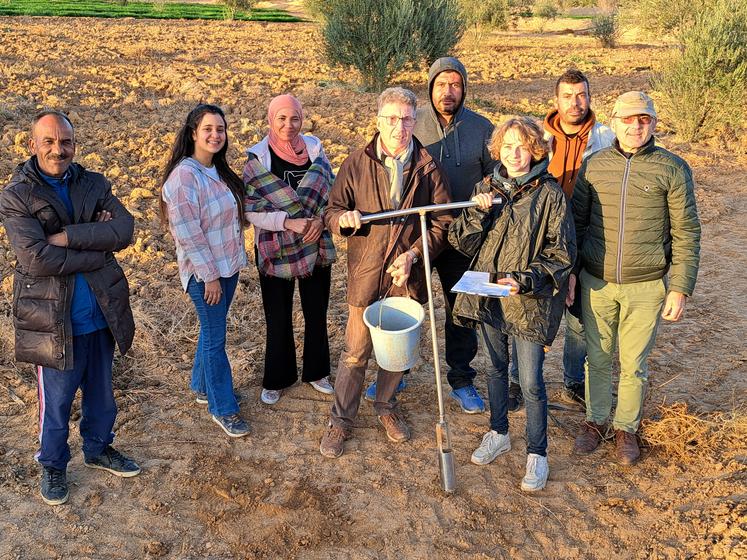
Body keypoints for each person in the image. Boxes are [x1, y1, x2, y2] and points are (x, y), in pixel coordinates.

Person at [0, 111, 139, 506]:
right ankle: (53, 464)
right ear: (32, 145)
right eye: (49, 141)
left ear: (75, 145)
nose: (58, 150)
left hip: (100, 310)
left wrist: (66, 237)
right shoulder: (16, 195)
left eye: (65, 142)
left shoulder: (93, 183)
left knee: (102, 395)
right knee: (56, 402)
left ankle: (98, 448)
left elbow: (124, 230)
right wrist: (96, 248)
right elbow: (35, 259)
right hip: (52, 320)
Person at [319, 87, 452, 458]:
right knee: (356, 351)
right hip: (366, 270)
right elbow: (331, 211)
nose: (400, 127)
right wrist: (341, 220)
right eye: (391, 119)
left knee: (396, 351)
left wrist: (412, 255)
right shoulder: (357, 163)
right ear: (378, 121)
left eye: (407, 119)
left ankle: (386, 407)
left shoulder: (427, 166)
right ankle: (341, 421)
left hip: (404, 276)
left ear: (414, 120)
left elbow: (442, 223)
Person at [572, 91, 701, 465]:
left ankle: (626, 428)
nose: (635, 126)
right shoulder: (594, 165)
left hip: (646, 285)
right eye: (627, 119)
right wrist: (572, 275)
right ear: (613, 123)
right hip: (596, 280)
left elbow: (686, 232)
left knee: (633, 363)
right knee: (596, 356)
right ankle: (595, 421)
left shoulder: (672, 168)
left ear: (654, 123)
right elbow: (578, 225)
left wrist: (679, 287)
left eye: (643, 119)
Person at [449, 116, 575, 491]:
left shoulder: (550, 195)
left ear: (535, 149)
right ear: (497, 151)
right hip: (490, 295)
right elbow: (462, 242)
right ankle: (498, 431)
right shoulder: (487, 188)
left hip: (529, 300)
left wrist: (526, 279)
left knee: (533, 381)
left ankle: (538, 454)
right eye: (507, 146)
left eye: (522, 146)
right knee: (495, 370)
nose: (515, 154)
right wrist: (476, 211)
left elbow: (561, 252)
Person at [368, 55, 494, 415]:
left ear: (464, 88)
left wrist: (485, 196)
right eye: (441, 84)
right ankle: (397, 372)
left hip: (464, 237)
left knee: (462, 310)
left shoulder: (481, 128)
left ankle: (461, 380)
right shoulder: (412, 122)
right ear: (430, 88)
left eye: (455, 84)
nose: (448, 91)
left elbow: (495, 175)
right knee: (406, 303)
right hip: (419, 234)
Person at [508, 69, 614, 412]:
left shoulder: (606, 138)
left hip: (586, 237)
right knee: (528, 311)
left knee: (579, 317)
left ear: (589, 96)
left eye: (581, 95)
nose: (575, 102)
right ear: (556, 99)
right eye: (567, 96)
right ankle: (517, 379)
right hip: (539, 240)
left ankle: (572, 381)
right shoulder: (536, 137)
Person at [161, 104, 250, 438]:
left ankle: (201, 386)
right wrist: (209, 276)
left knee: (211, 331)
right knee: (216, 339)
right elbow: (187, 231)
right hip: (206, 275)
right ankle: (222, 407)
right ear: (193, 132)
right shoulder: (184, 176)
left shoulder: (217, 171)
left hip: (228, 267)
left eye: (221, 129)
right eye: (209, 129)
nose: (216, 135)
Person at [243, 94, 336, 405]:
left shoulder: (316, 151)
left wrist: (320, 222)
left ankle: (317, 372)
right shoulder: (257, 159)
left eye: (294, 118)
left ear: (302, 119)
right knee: (278, 315)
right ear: (271, 120)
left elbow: (332, 196)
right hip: (275, 249)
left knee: (316, 311)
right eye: (281, 118)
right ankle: (277, 378)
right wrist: (290, 223)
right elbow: (251, 209)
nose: (288, 125)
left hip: (316, 243)